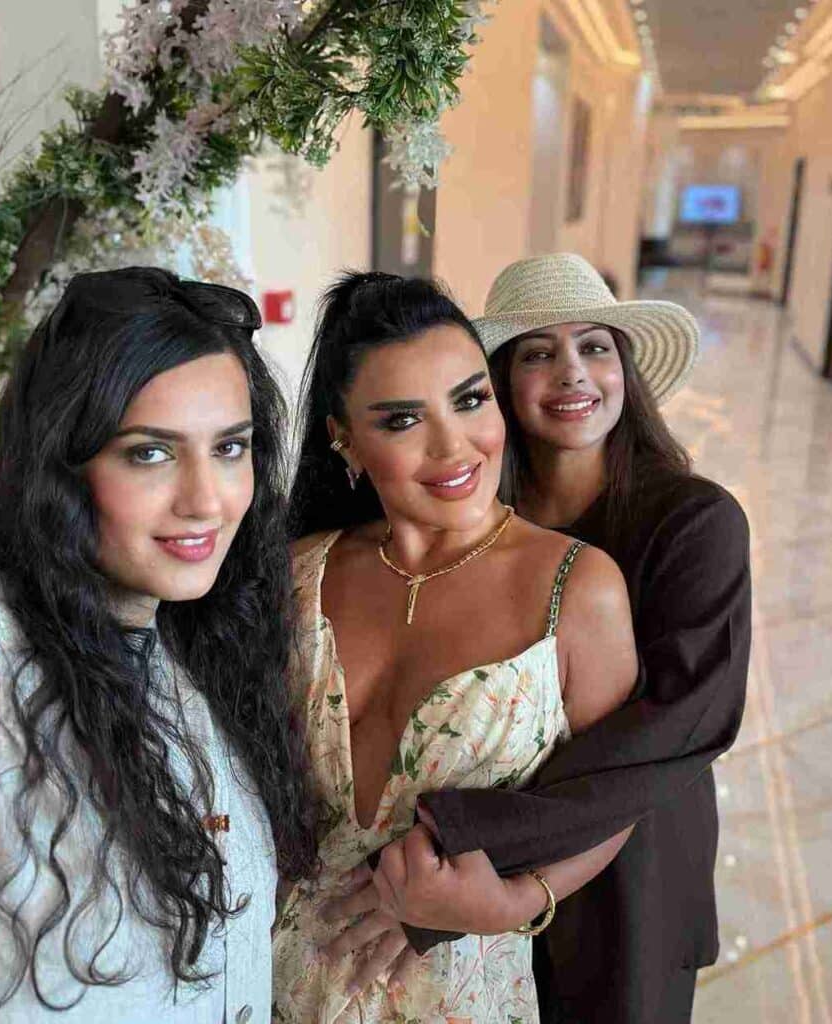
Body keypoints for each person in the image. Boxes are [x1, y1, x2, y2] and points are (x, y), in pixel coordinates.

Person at [340, 253, 750, 1023]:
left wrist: (477, 847)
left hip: (633, 864)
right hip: (465, 886)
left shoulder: (694, 522)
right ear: (494, 385)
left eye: (595, 346)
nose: (572, 374)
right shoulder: (474, 514)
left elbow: (683, 724)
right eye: (537, 354)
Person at [0, 268, 316, 1023]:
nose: (207, 499)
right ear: (60, 462)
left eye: (230, 448)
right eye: (150, 453)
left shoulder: (182, 639)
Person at [273, 271, 638, 1023]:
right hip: (265, 984)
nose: (454, 446)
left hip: (459, 998)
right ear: (344, 437)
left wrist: (515, 901)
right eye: (403, 420)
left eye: (470, 400)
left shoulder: (579, 589)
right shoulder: (292, 575)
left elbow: (613, 797)